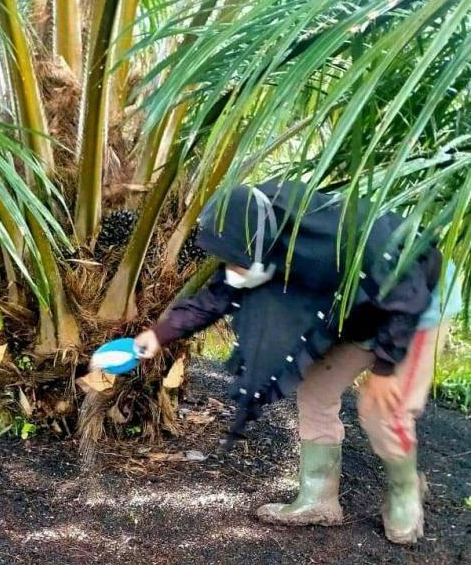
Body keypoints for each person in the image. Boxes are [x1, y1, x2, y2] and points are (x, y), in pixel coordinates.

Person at [135, 181, 463, 545]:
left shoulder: (340, 230)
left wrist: (386, 369)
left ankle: (405, 493)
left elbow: (407, 292)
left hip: (416, 300)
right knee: (316, 391)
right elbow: (223, 292)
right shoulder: (251, 231)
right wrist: (159, 334)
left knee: (383, 408)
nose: (235, 269)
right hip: (355, 308)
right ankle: (318, 498)